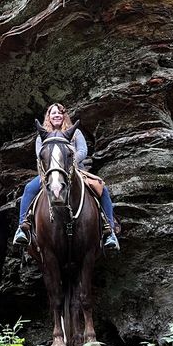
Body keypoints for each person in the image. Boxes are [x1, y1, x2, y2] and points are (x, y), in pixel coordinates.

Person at [13, 103, 120, 250]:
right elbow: (40, 155)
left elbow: (83, 150)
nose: (56, 115)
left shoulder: (75, 133)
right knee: (29, 189)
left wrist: (70, 160)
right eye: (53, 113)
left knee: (101, 188)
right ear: (48, 117)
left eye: (59, 113)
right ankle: (23, 227)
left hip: (75, 171)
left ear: (64, 116)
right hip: (50, 172)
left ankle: (109, 231)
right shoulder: (42, 136)